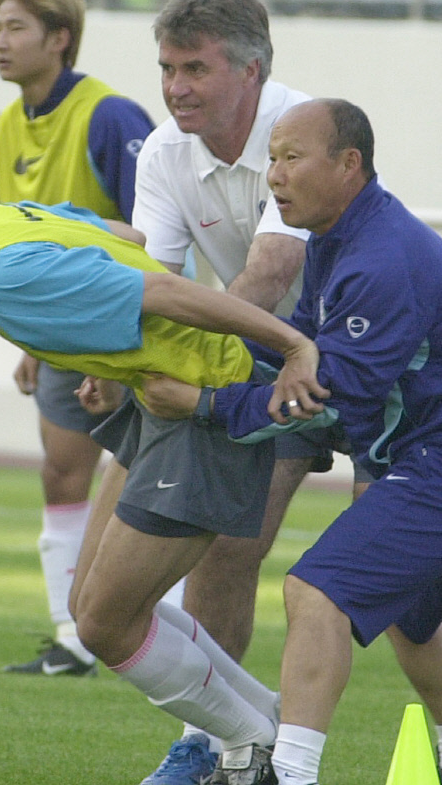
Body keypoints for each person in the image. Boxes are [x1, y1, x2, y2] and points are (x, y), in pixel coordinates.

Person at [0, 138, 327, 782]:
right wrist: (95, 343)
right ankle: (261, 724)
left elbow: (163, 289)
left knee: (105, 624)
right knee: (90, 607)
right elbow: (122, 237)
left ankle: (254, 745)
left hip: (204, 400)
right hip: (160, 400)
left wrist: (294, 346)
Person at [81, 0, 372, 785]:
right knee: (225, 550)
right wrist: (117, 361)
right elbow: (153, 278)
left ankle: (255, 745)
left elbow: (271, 271)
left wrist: (182, 365)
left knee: (408, 593)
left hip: (364, 363)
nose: (175, 87)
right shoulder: (164, 153)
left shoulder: (302, 128)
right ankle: (214, 745)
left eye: (195, 68)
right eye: (167, 68)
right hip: (266, 365)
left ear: (250, 70)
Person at [141, 98, 442, 785]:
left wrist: (202, 401)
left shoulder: (381, 260)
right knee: (416, 622)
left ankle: (291, 773)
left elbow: (324, 394)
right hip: (411, 452)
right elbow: (297, 346)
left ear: (348, 164)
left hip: (429, 457)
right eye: (271, 159)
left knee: (317, 589)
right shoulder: (338, 237)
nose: (274, 176)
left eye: (291, 158)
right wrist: (190, 355)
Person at [0, 0, 156, 676]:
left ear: (59, 38)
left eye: (15, 27)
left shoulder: (109, 116)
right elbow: (3, 237)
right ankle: (72, 635)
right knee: (61, 473)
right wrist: (30, 337)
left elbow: (155, 232)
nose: (0, 41)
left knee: (145, 482)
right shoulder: (1, 128)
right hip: (59, 334)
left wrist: (118, 341)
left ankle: (143, 626)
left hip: (129, 328)